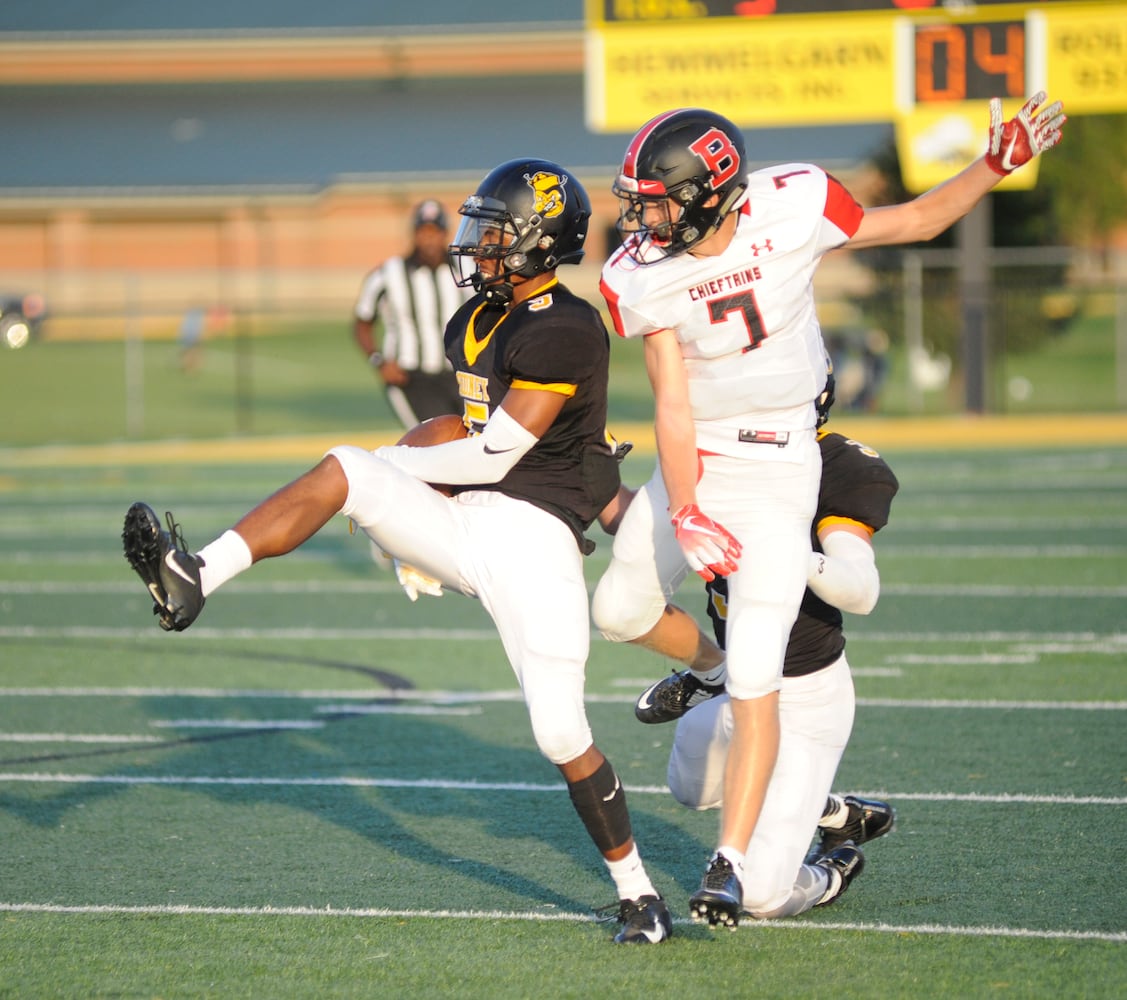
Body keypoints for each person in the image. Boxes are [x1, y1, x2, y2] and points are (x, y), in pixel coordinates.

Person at [122, 158, 672, 945]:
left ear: (537, 242)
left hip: (536, 544)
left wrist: (399, 471)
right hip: (469, 519)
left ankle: (639, 896)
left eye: (493, 232)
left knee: (559, 734)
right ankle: (196, 574)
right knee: (346, 466)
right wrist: (396, 487)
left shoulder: (565, 326)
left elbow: (497, 453)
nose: (473, 245)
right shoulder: (473, 320)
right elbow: (460, 432)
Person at [591, 92, 1066, 927]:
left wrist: (994, 164)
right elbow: (669, 399)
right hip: (697, 449)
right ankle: (703, 673)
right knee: (618, 607)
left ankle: (735, 862)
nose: (641, 215)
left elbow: (915, 221)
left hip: (774, 459)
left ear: (711, 193)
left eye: (657, 197)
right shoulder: (636, 272)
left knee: (754, 678)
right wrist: (691, 506)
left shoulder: (796, 200)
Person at [639, 410, 901, 920]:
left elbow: (861, 589)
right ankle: (835, 811)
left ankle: (835, 866)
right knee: (690, 789)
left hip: (805, 696)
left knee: (759, 896)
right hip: (740, 687)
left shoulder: (836, 463)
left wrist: (791, 556)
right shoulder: (711, 450)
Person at [352, 198, 468, 427]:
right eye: (423, 232)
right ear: (414, 235)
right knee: (433, 441)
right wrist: (379, 361)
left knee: (474, 439)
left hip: (460, 374)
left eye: (435, 232)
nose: (429, 240)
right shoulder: (388, 274)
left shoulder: (466, 269)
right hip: (412, 377)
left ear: (445, 234)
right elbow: (362, 322)